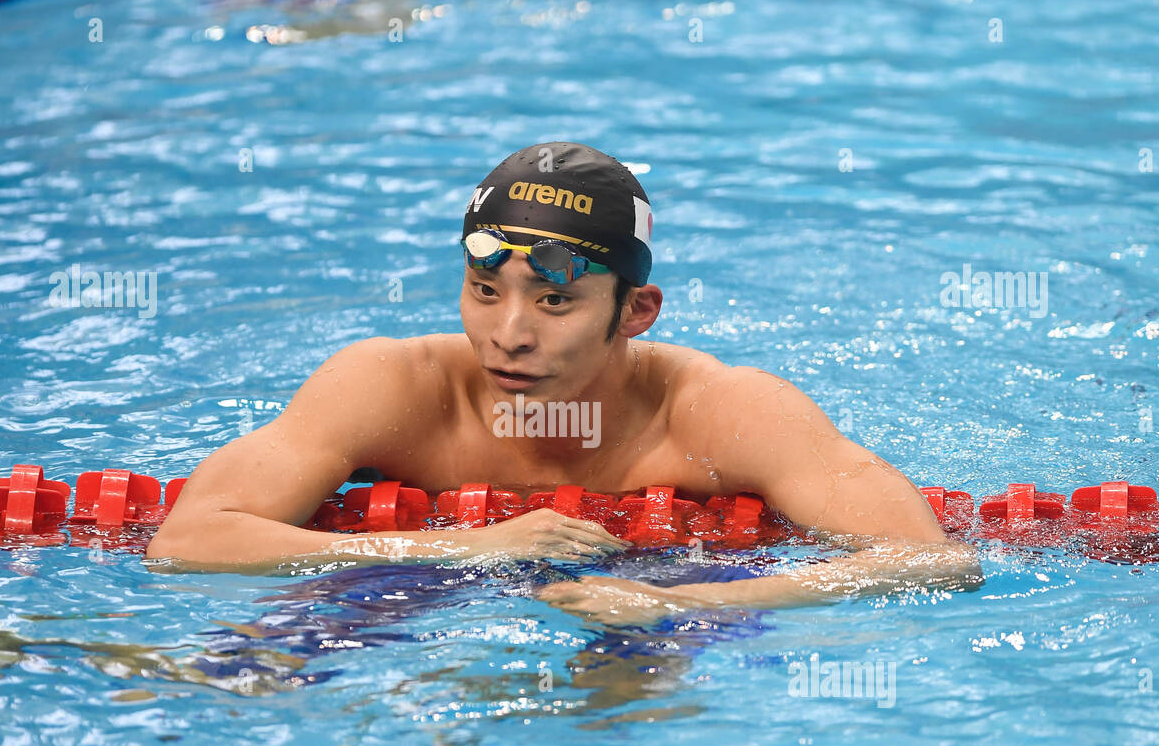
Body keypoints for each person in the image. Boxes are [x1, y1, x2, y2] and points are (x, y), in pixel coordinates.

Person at [146, 141, 983, 624]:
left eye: (554, 301)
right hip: (429, 576)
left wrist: (684, 607)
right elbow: (188, 542)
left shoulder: (723, 412)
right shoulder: (390, 386)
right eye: (484, 292)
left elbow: (929, 561)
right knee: (269, 658)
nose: (508, 335)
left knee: (629, 686)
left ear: (636, 312)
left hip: (673, 594)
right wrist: (458, 547)